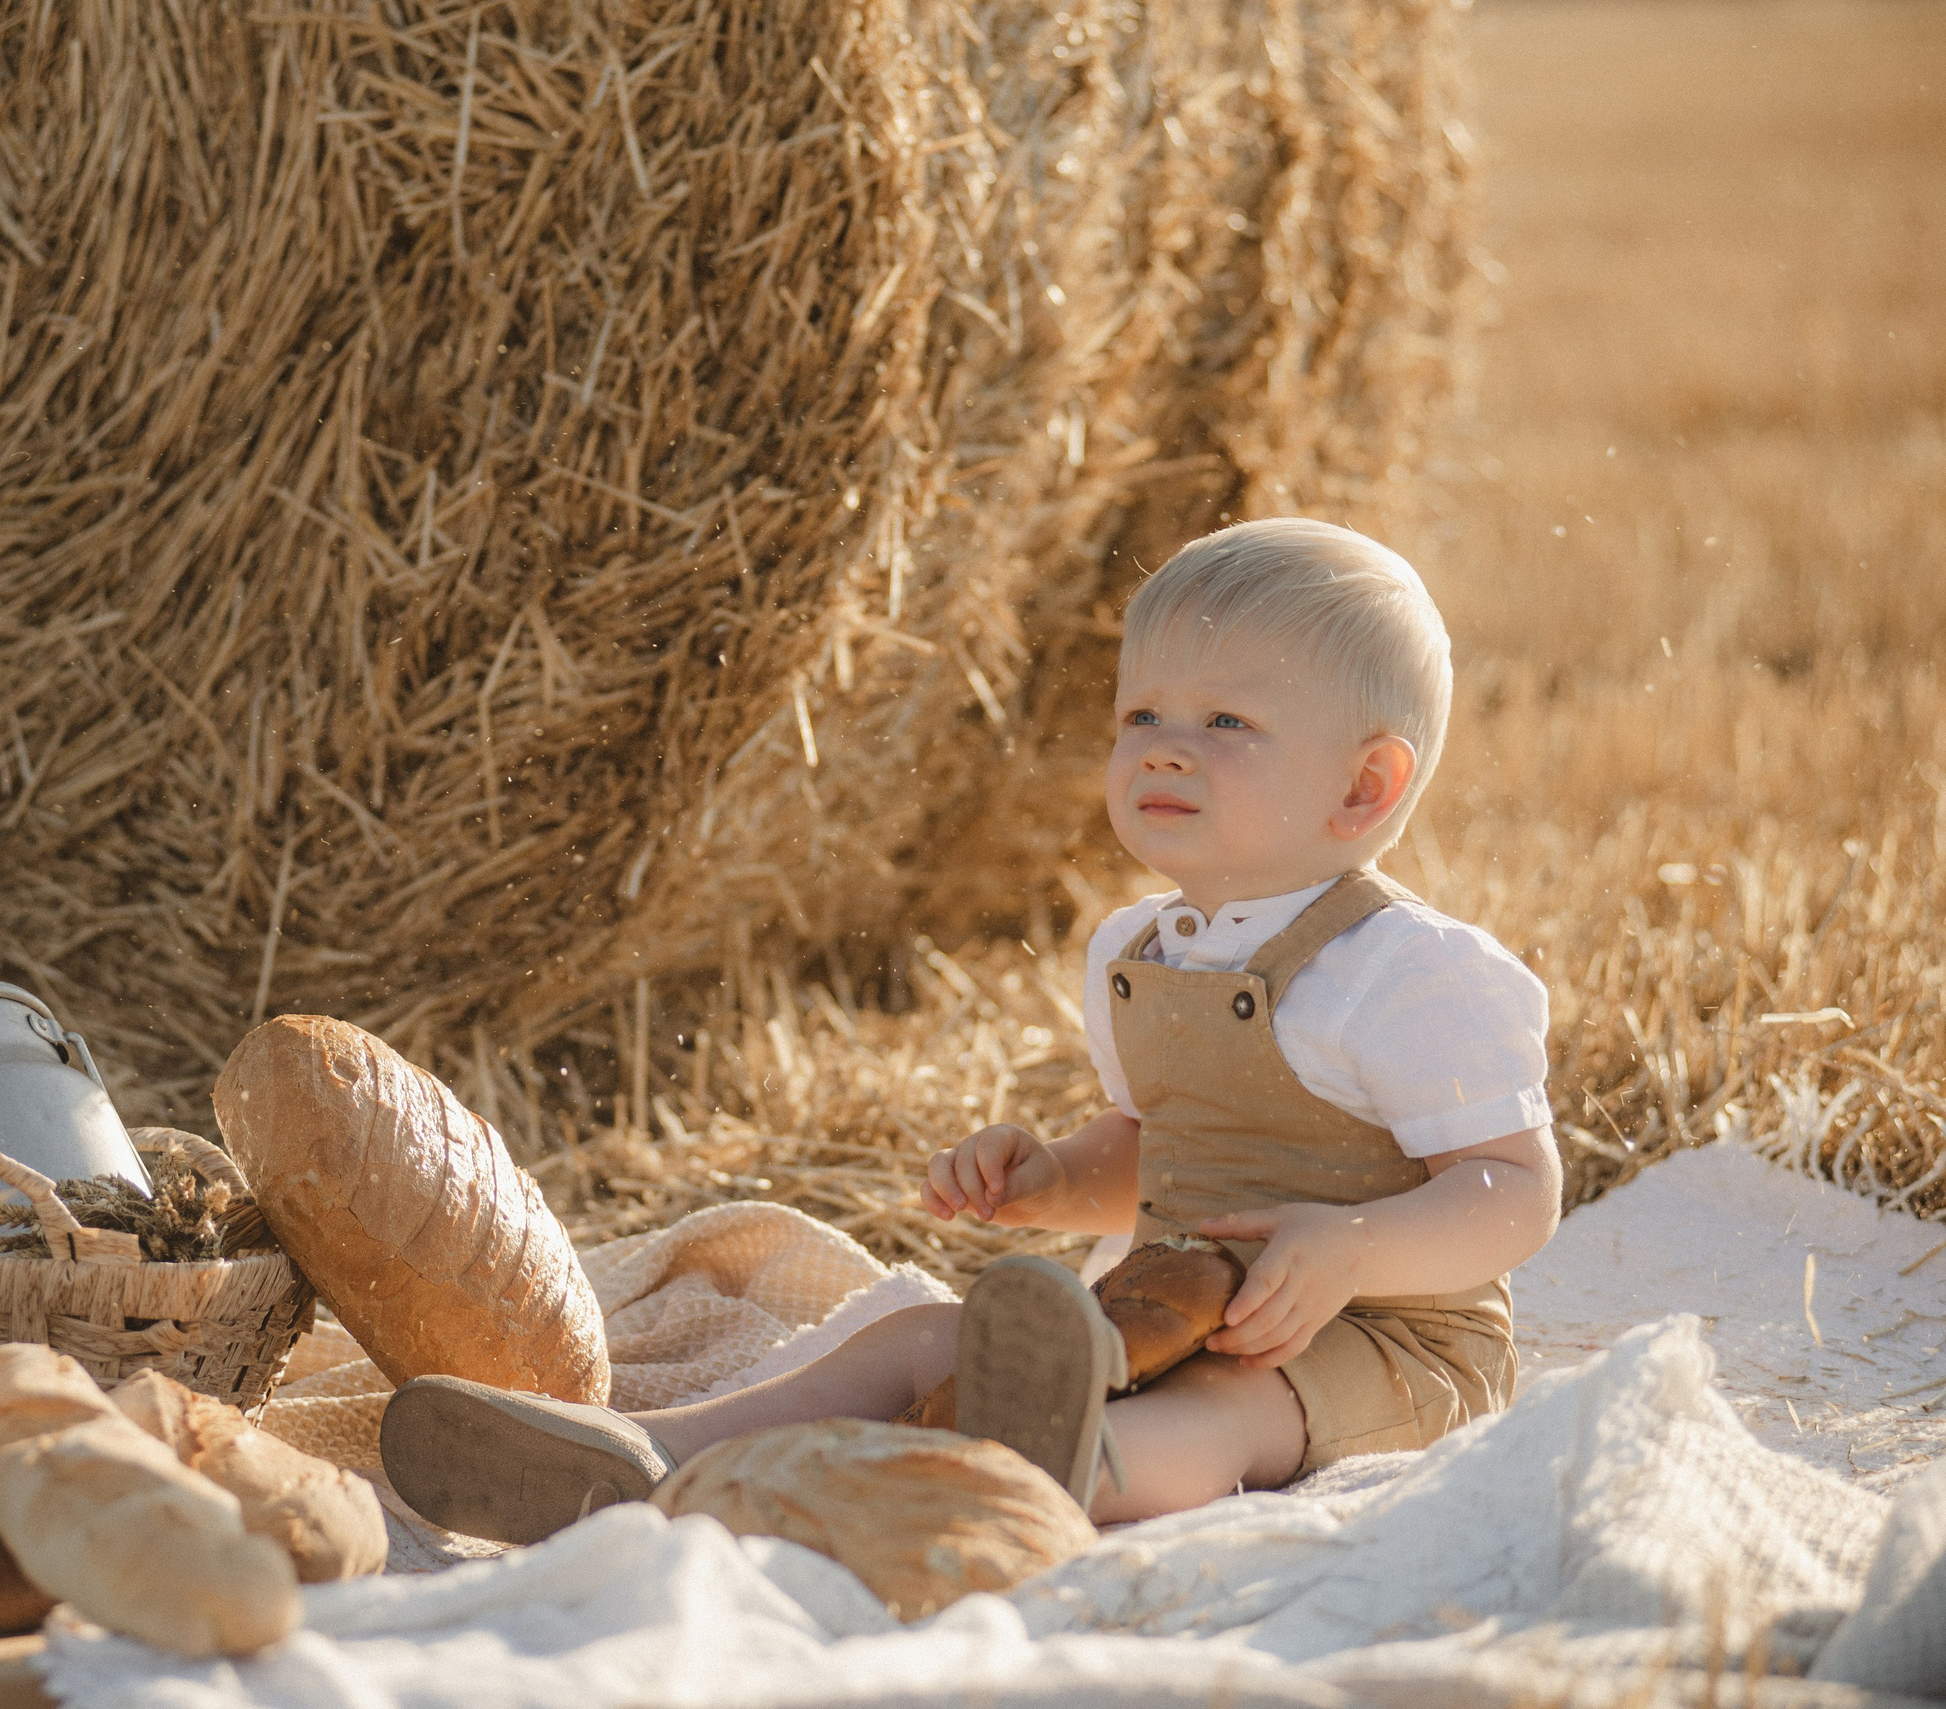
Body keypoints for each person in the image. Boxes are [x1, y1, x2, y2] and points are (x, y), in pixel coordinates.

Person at [379, 518, 1562, 1543]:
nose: (1163, 744)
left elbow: (1515, 1190)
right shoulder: (1142, 951)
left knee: (1224, 1413)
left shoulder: (1407, 972)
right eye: (1141, 711)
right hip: (1178, 1307)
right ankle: (651, 1451)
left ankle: (1041, 1470)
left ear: (1363, 786)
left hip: (1382, 1344)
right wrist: (1050, 1178)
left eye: (1224, 720)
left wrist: (1353, 1245)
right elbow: (1165, 1153)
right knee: (918, 1335)